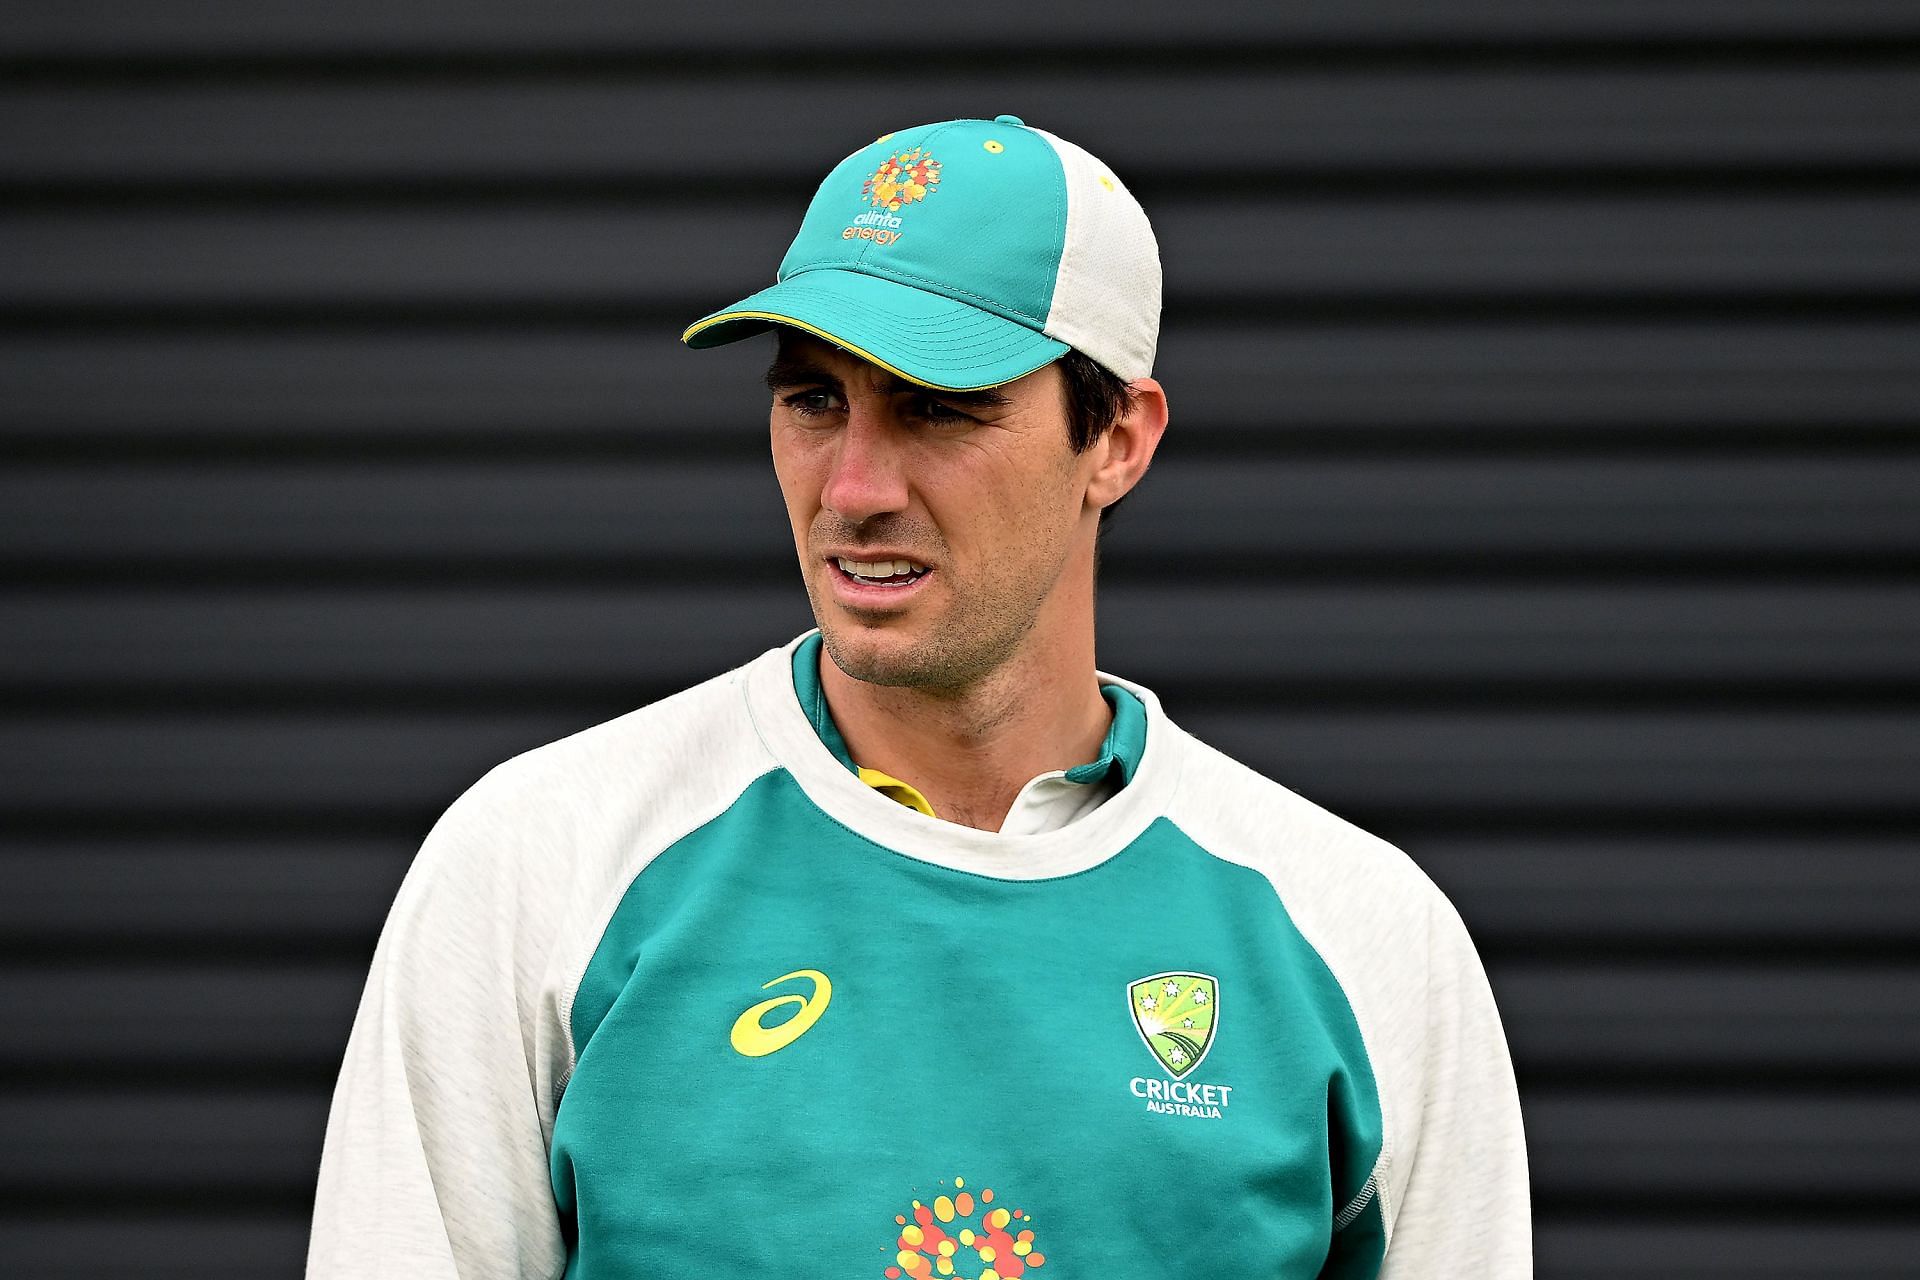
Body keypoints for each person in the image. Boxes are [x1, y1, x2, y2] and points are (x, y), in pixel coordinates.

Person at [308, 114, 1529, 1279]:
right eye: (812, 399)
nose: (851, 487)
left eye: (938, 408)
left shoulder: (1365, 935)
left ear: (1118, 440)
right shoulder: (539, 860)